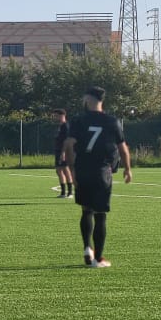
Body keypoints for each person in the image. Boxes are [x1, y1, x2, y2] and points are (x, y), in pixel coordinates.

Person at [65, 87, 133, 268]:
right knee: (100, 215)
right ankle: (98, 258)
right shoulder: (111, 121)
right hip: (102, 171)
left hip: (82, 169)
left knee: (86, 210)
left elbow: (69, 145)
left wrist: (72, 170)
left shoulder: (78, 120)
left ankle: (87, 248)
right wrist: (127, 169)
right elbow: (123, 148)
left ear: (88, 99)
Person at [52, 109, 74, 199]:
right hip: (58, 151)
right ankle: (63, 192)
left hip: (64, 151)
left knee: (66, 170)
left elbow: (67, 141)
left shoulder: (66, 126)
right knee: (58, 170)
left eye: (56, 116)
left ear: (62, 115)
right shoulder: (60, 126)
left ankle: (70, 193)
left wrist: (64, 152)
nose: (55, 117)